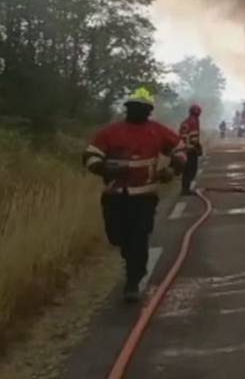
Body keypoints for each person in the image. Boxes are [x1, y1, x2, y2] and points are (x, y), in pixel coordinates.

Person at [82, 88, 185, 303]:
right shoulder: (111, 132)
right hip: (115, 196)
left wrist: (173, 169)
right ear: (127, 109)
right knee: (118, 237)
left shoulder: (157, 131)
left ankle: (133, 281)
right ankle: (130, 260)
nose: (138, 111)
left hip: (144, 198)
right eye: (133, 107)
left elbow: (180, 149)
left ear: (149, 110)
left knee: (139, 239)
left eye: (142, 108)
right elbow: (91, 156)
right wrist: (103, 169)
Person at [179, 104, 203, 196]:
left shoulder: (186, 121)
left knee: (187, 170)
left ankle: (185, 189)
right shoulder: (193, 121)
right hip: (190, 150)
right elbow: (193, 138)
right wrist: (197, 147)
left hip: (184, 149)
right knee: (191, 170)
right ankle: (185, 190)